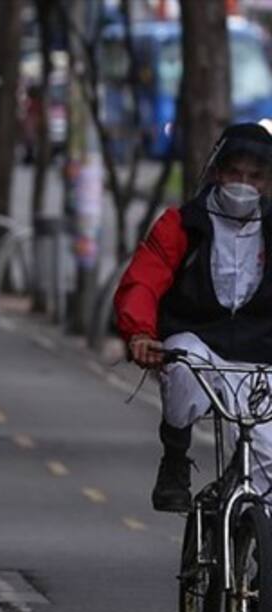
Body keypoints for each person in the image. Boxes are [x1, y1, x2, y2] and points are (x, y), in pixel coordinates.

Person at [115, 122, 272, 512]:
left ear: (268, 183)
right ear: (218, 172)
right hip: (198, 341)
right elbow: (143, 281)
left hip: (262, 353)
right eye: (235, 173)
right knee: (182, 363)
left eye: (255, 177)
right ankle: (175, 458)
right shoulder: (182, 225)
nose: (244, 183)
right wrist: (139, 334)